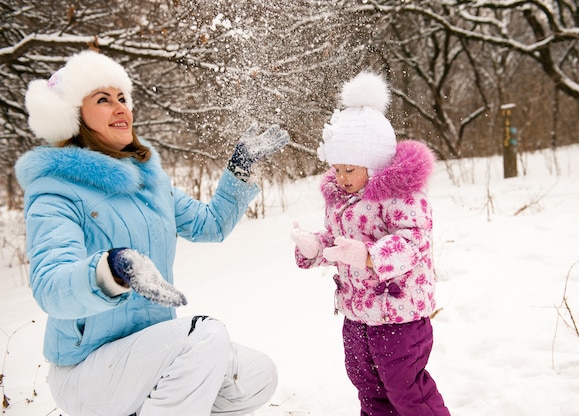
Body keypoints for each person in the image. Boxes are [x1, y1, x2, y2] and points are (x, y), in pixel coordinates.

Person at [14, 50, 290, 416]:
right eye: (102, 99)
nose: (120, 108)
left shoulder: (150, 184)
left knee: (255, 375)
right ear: (73, 117)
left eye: (122, 98)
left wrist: (239, 170)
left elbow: (211, 225)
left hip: (148, 357)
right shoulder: (56, 189)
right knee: (206, 337)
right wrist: (110, 270)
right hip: (87, 371)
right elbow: (50, 286)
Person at [291, 72, 450, 415]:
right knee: (368, 389)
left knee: (406, 390)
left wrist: (369, 256)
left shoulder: (401, 195)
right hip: (357, 315)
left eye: (350, 169)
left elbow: (414, 242)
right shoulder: (340, 198)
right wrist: (314, 248)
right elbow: (337, 243)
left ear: (374, 165)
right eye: (336, 169)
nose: (340, 178)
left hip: (400, 317)